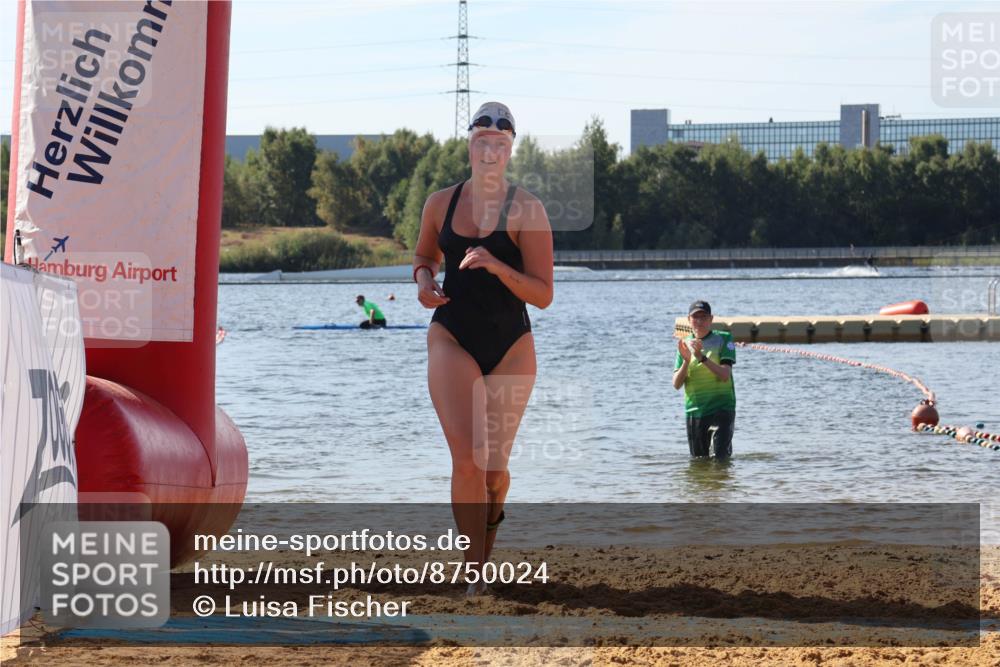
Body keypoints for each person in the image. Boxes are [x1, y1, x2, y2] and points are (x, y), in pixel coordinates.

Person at [411, 101, 553, 596]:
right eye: (481, 140)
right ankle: (474, 577)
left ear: (510, 150)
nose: (489, 150)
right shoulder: (440, 203)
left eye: (500, 143)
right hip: (451, 333)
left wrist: (496, 266)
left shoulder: (526, 208)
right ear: (469, 144)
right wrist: (424, 279)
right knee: (468, 460)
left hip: (512, 343)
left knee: (494, 475)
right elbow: (424, 254)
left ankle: (482, 561)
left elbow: (543, 294)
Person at [672, 301, 736, 459]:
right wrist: (687, 361)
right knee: (699, 462)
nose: (699, 321)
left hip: (722, 407)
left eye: (704, 317)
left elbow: (724, 375)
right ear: (689, 319)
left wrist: (701, 357)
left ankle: (722, 484)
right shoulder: (683, 344)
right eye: (695, 317)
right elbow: (676, 384)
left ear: (711, 319)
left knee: (720, 460)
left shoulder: (724, 339)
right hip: (695, 411)